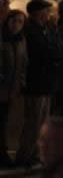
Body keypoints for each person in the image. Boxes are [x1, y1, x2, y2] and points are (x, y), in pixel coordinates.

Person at [16, 0, 63, 167]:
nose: (49, 14)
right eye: (46, 11)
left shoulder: (46, 29)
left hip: (45, 82)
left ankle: (36, 154)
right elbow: (40, 52)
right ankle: (25, 155)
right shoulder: (31, 31)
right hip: (35, 82)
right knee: (33, 121)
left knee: (42, 121)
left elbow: (56, 49)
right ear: (37, 12)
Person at [0, 10, 26, 167]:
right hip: (2, 88)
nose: (16, 25)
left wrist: (21, 82)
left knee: (5, 122)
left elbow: (24, 62)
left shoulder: (21, 40)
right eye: (13, 21)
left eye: (20, 22)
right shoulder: (3, 39)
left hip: (12, 90)